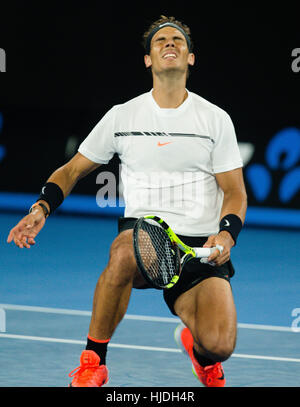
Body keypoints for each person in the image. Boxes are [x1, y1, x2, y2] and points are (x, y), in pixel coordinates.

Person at [7, 15, 247, 387]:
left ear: (191, 58)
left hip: (200, 248)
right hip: (145, 239)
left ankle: (200, 353)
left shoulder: (215, 120)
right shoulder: (123, 116)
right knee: (122, 250)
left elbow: (234, 191)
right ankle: (93, 362)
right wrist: (41, 208)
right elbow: (71, 171)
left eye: (178, 40)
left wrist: (227, 235)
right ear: (149, 60)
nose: (170, 43)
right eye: (160, 41)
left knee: (219, 344)